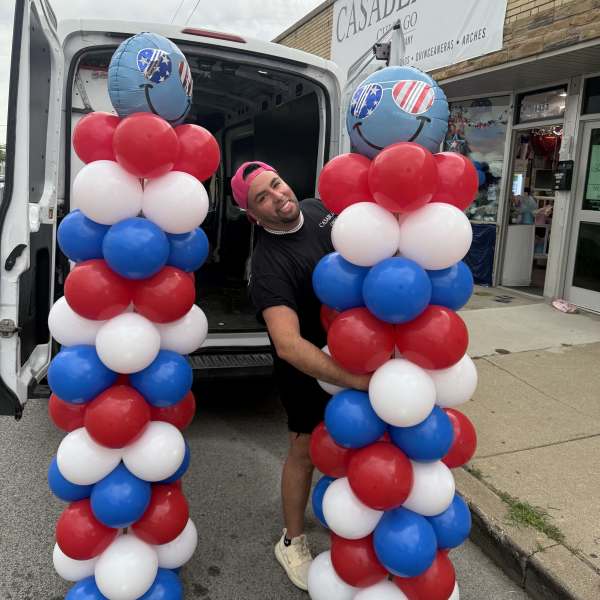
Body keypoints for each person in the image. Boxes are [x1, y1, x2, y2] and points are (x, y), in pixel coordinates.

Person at [231, 161, 371, 591]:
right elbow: (288, 345)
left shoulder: (316, 208)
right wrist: (355, 381)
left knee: (364, 440)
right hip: (309, 369)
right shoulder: (268, 266)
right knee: (305, 451)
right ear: (253, 215)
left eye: (276, 184)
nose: (278, 197)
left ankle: (360, 521)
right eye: (263, 198)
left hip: (361, 348)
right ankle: (291, 541)